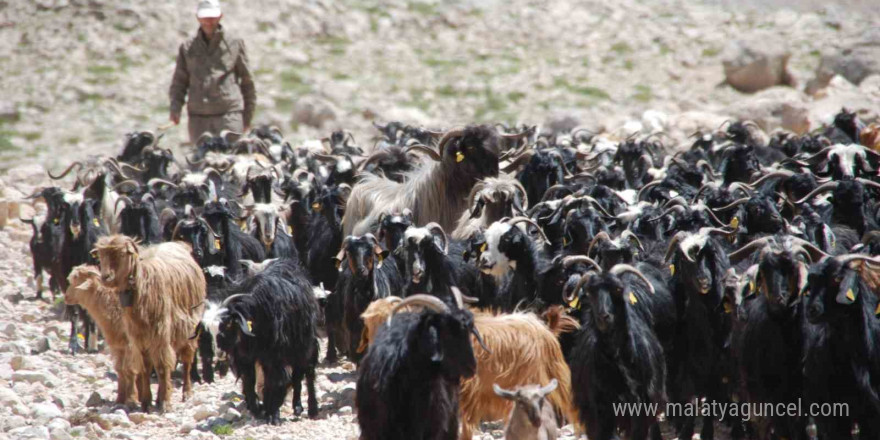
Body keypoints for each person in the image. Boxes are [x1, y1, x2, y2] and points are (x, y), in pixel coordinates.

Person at [169, 0, 256, 144]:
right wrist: (175, 109)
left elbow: (247, 82)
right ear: (198, 17)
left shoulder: (234, 44)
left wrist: (247, 117)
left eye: (212, 17)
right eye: (205, 17)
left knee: (234, 161)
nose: (208, 22)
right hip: (199, 120)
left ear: (220, 16)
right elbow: (179, 82)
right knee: (200, 162)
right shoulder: (187, 47)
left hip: (229, 117)